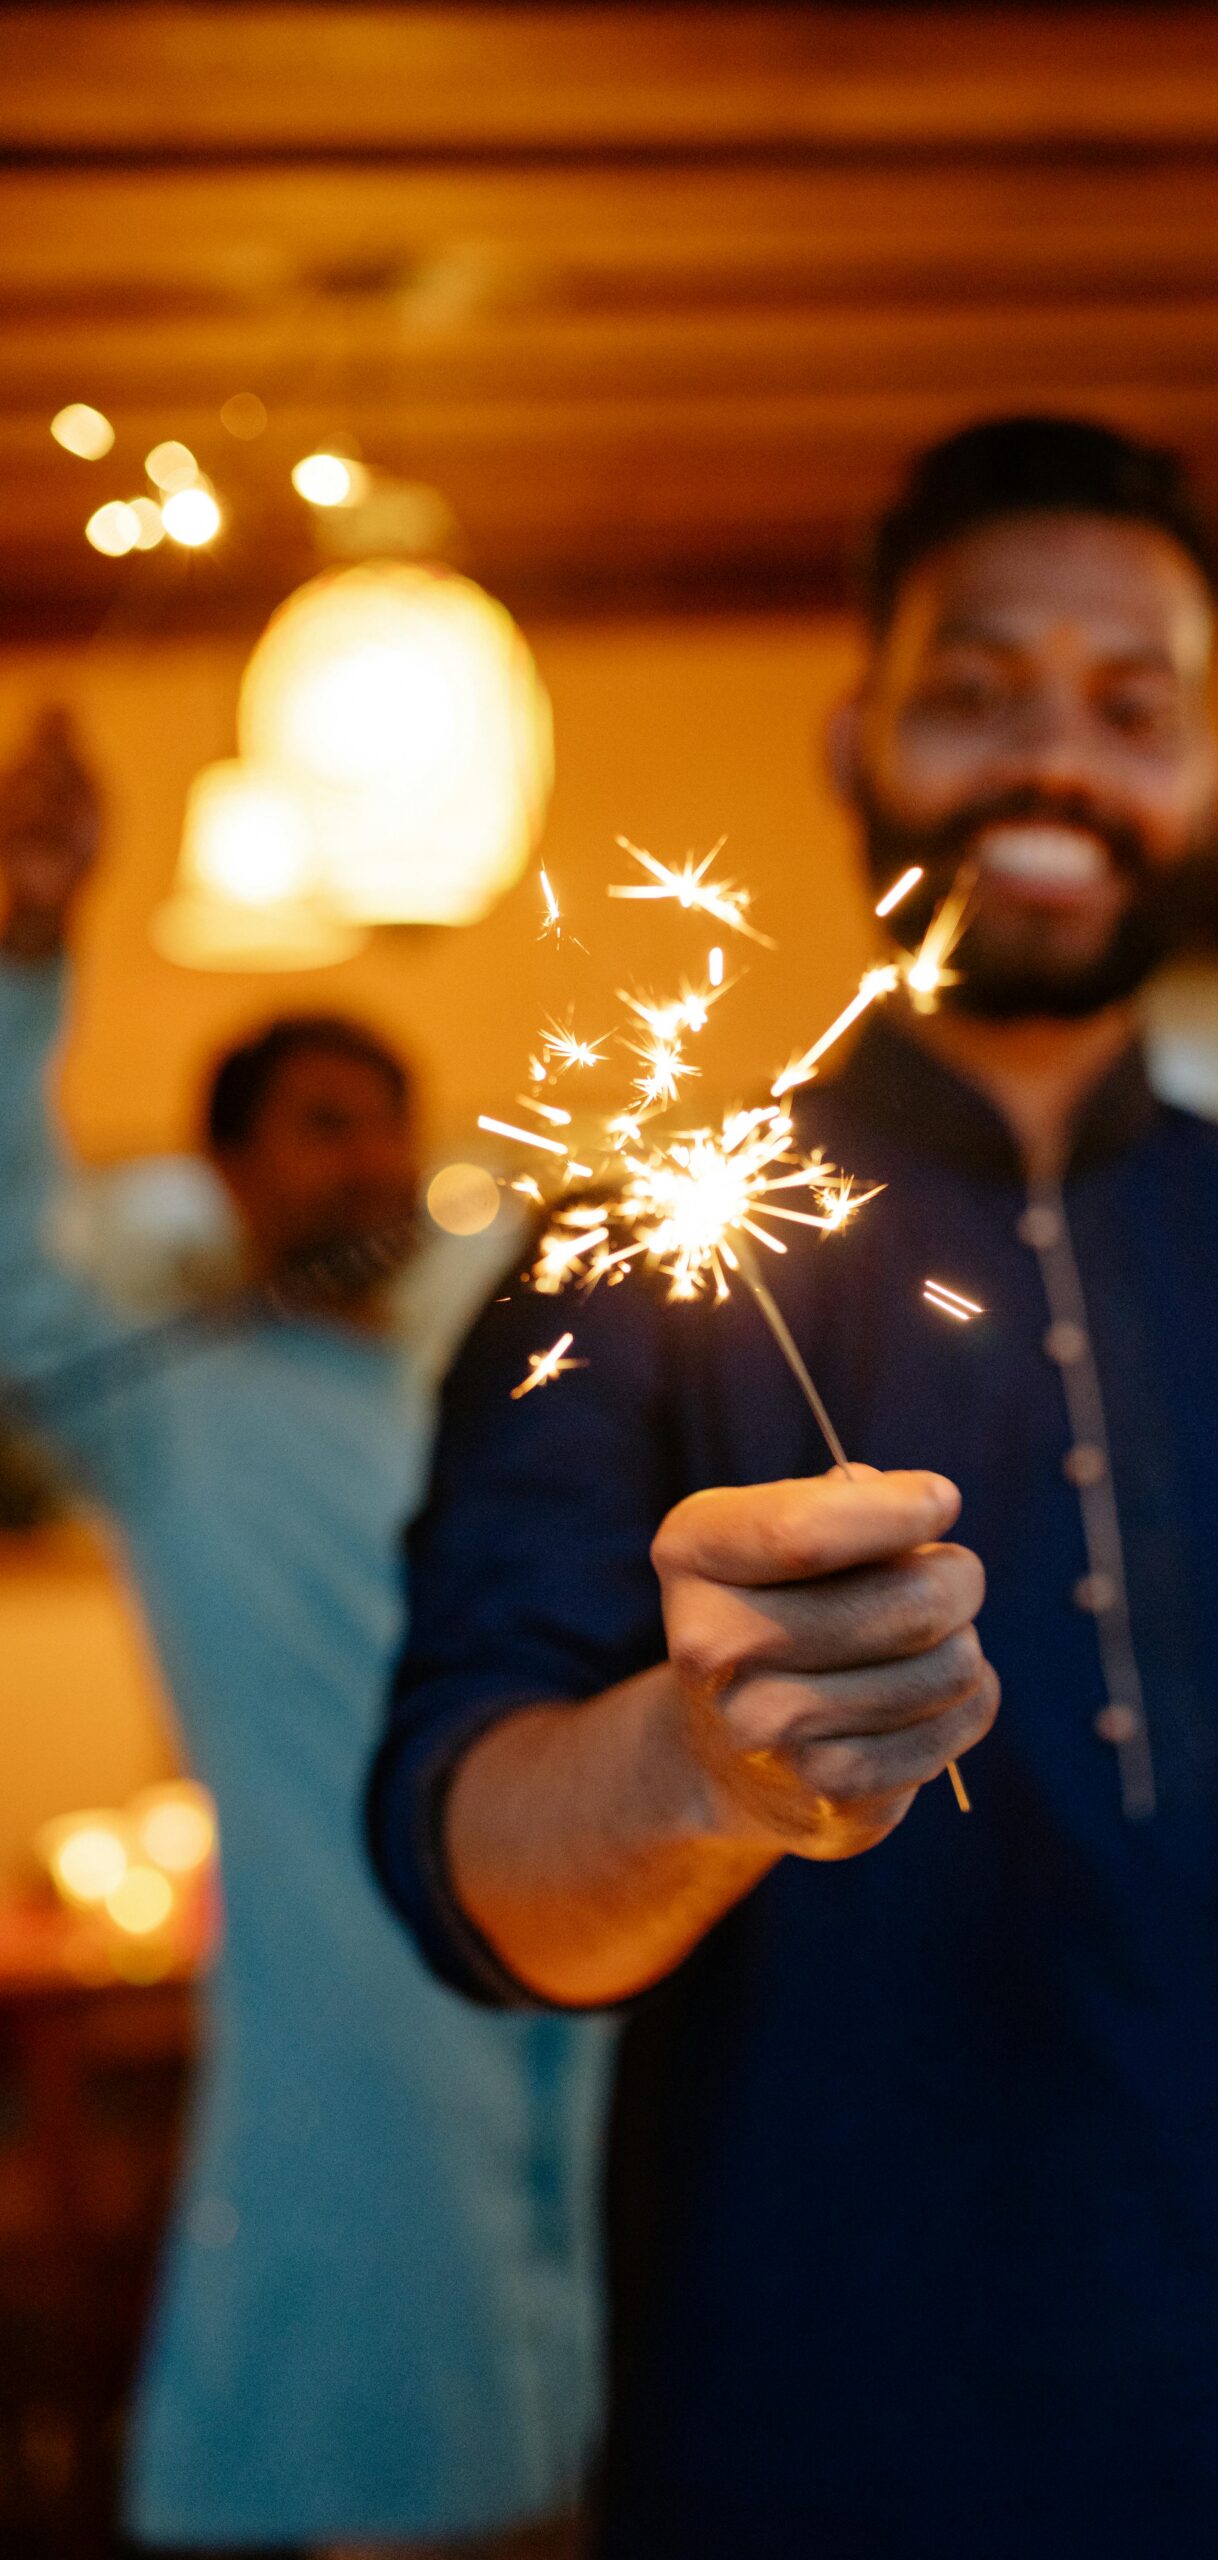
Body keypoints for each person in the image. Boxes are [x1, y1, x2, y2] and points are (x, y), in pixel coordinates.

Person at [368, 419, 1218, 2560]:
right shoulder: (617, 1277)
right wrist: (699, 1764)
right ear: (855, 733)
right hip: (816, 2469)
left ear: (1206, 776)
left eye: (1130, 705)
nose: (1050, 763)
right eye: (973, 689)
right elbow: (468, 1861)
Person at [0, 707, 609, 2557]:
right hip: (345, 1997)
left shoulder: (477, 1393)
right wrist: (26, 950)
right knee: (377, 2426)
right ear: (242, 1170)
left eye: (389, 1131)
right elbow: (18, 1285)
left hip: (578, 1956)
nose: (369, 1169)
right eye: (326, 1132)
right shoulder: (176, 1405)